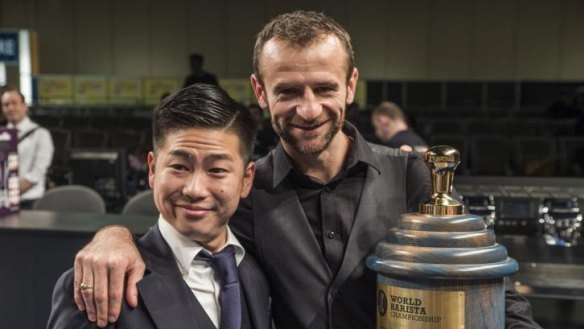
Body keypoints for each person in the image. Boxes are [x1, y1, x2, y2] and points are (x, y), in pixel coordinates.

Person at [72, 11, 541, 329]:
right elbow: (175, 229)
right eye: (289, 91)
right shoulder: (241, 189)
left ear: (351, 85)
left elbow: (488, 288)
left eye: (323, 87)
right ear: (260, 91)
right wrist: (113, 235)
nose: (309, 108)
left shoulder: (413, 176)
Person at [48, 84, 272, 329]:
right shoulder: (100, 285)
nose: (194, 189)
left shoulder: (260, 268)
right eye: (179, 167)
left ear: (246, 179)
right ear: (153, 170)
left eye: (217, 170)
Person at [1, 88, 54, 208]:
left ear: (25, 106)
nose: (10, 108)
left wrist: (12, 193)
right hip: (3, 202)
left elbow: (37, 172)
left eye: (14, 103)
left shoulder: (41, 134)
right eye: (6, 105)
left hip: (30, 201)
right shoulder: (1, 134)